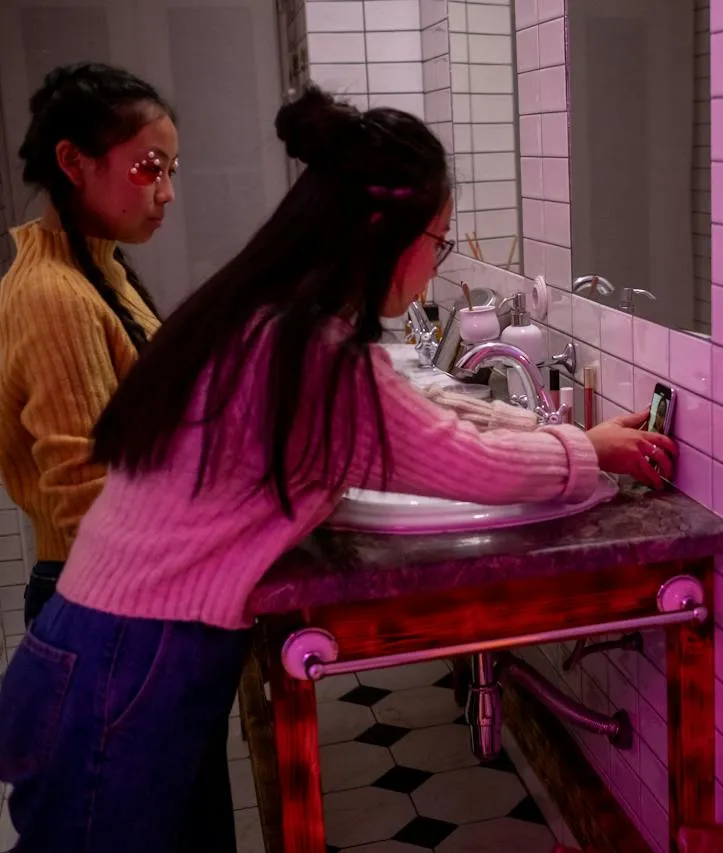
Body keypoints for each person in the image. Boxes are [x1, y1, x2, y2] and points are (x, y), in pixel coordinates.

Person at [0, 84, 676, 851]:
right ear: (388, 232)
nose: (437, 263)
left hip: (97, 644)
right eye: (441, 240)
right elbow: (463, 458)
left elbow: (420, 413)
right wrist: (585, 454)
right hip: (125, 666)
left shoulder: (271, 315)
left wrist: (566, 433)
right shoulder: (313, 355)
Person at [0, 63, 174, 626]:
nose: (167, 192)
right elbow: (91, 496)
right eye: (150, 168)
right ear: (73, 162)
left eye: (171, 170)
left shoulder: (100, 271)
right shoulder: (55, 295)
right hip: (99, 592)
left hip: (112, 581)